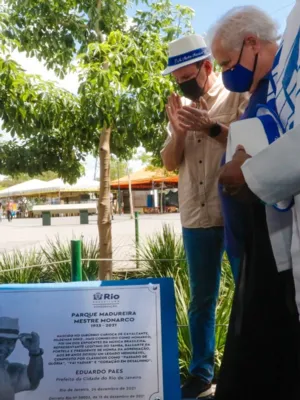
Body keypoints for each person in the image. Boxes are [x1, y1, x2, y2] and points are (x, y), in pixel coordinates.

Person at [209, 5, 300, 399]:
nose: (228, 73)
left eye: (227, 63)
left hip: (272, 246)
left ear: (252, 43)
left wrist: (251, 171)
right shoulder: (266, 86)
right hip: (260, 246)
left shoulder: (279, 78)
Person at [161, 34, 248, 398]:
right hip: (195, 218)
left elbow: (248, 147)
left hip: (233, 213)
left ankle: (244, 369)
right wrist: (179, 132)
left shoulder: (235, 95)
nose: (182, 85)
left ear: (207, 67)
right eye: (176, 79)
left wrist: (209, 126)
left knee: (247, 292)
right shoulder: (179, 107)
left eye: (186, 76)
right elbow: (168, 162)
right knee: (201, 300)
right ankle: (201, 372)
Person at [0, 317, 44, 399]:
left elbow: (33, 380)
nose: (3, 347)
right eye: (0, 341)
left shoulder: (9, 370)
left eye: (10, 342)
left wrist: (35, 352)